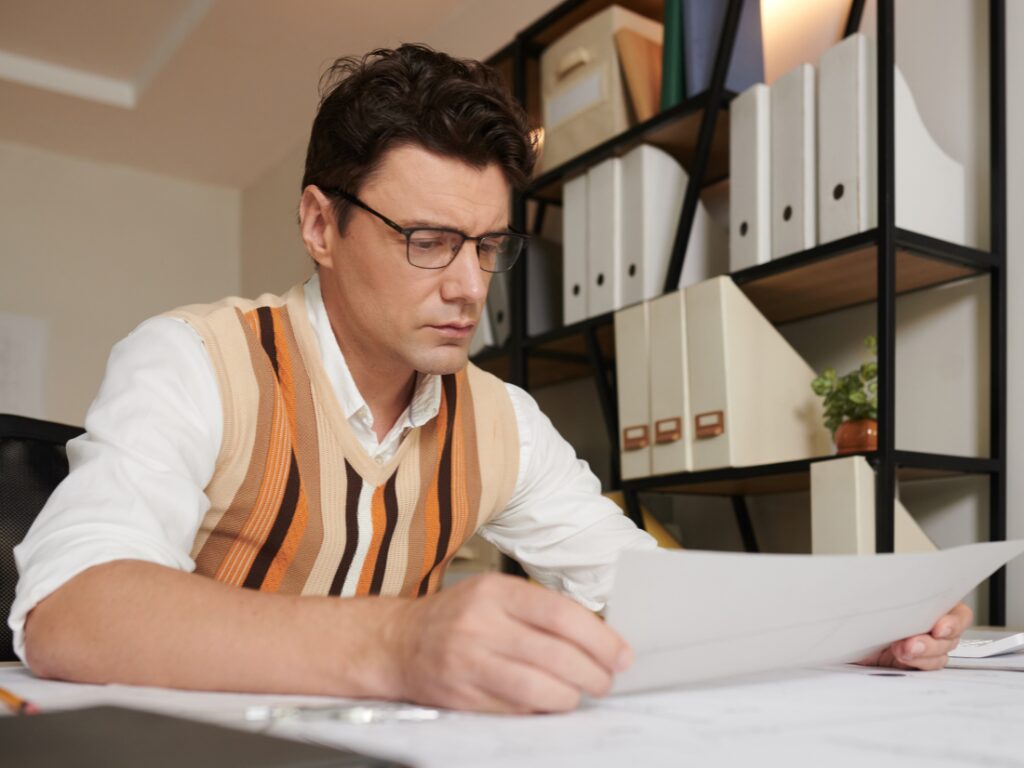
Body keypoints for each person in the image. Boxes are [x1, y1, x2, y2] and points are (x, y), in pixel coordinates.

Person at [10, 45, 971, 714]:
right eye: (427, 241)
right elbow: (69, 612)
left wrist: (857, 630)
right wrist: (398, 645)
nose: (468, 287)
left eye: (488, 246)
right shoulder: (196, 360)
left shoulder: (498, 418)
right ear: (318, 226)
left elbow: (647, 590)